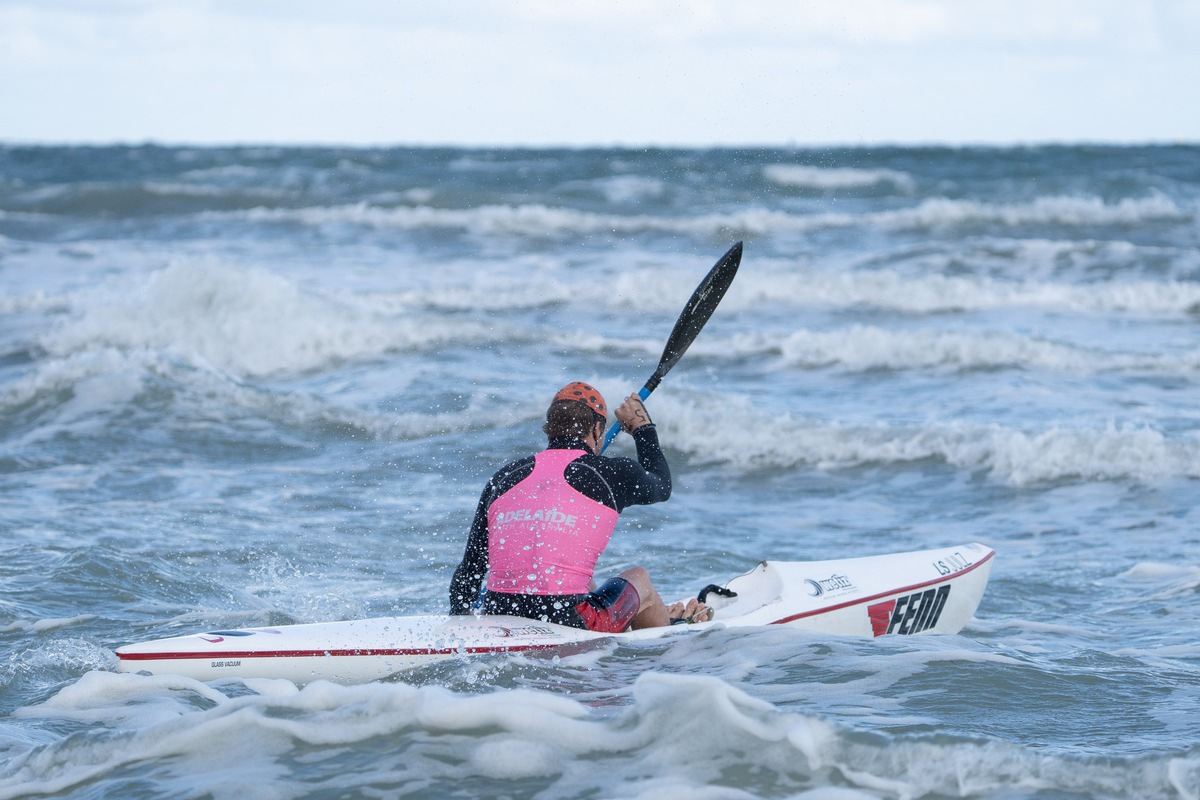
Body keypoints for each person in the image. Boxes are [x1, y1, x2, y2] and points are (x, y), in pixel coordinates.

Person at [449, 381, 711, 631]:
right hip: (569, 618)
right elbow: (662, 485)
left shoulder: (503, 477)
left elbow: (470, 569)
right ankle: (663, 634)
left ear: (550, 429)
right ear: (597, 430)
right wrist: (643, 429)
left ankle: (657, 614)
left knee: (582, 579)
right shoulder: (610, 473)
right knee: (639, 578)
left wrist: (461, 625)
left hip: (500, 610)